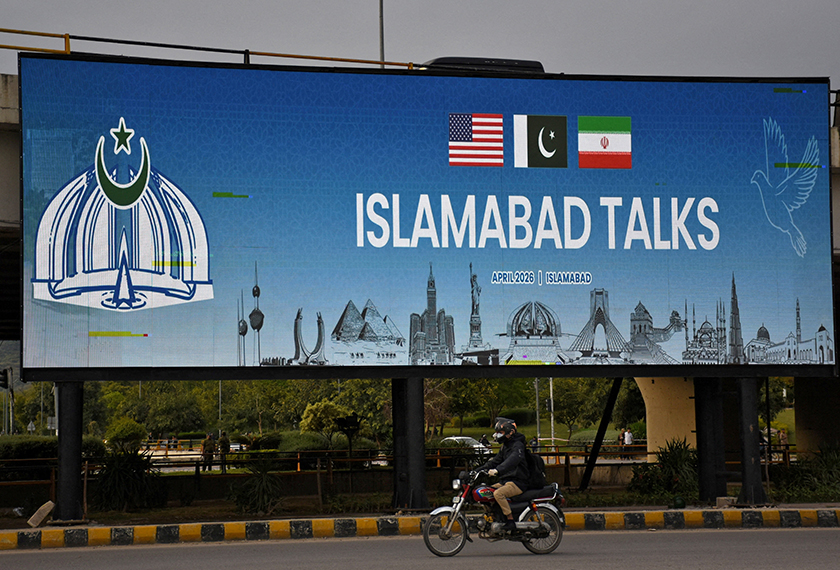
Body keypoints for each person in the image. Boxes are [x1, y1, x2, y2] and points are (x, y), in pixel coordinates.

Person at [476, 417, 530, 531]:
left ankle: (510, 520)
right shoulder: (505, 446)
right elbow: (495, 461)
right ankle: (495, 516)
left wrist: (498, 470)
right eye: (496, 433)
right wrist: (477, 470)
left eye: (500, 432)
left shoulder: (518, 445)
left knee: (498, 494)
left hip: (518, 482)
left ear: (510, 432)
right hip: (506, 481)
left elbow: (513, 460)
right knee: (485, 492)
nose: (497, 435)